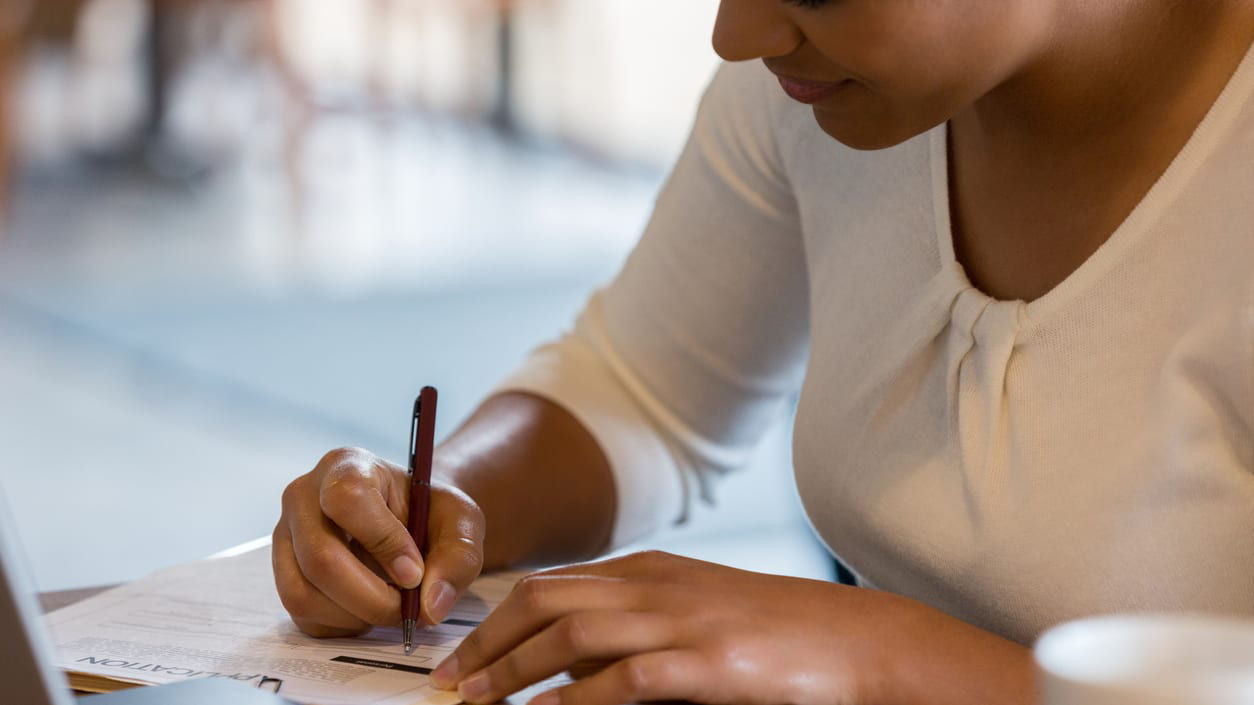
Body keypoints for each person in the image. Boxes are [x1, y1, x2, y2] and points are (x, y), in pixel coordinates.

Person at [272, 1, 1254, 703]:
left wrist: (890, 662)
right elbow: (643, 389)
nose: (733, 34)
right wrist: (446, 500)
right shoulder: (815, 87)